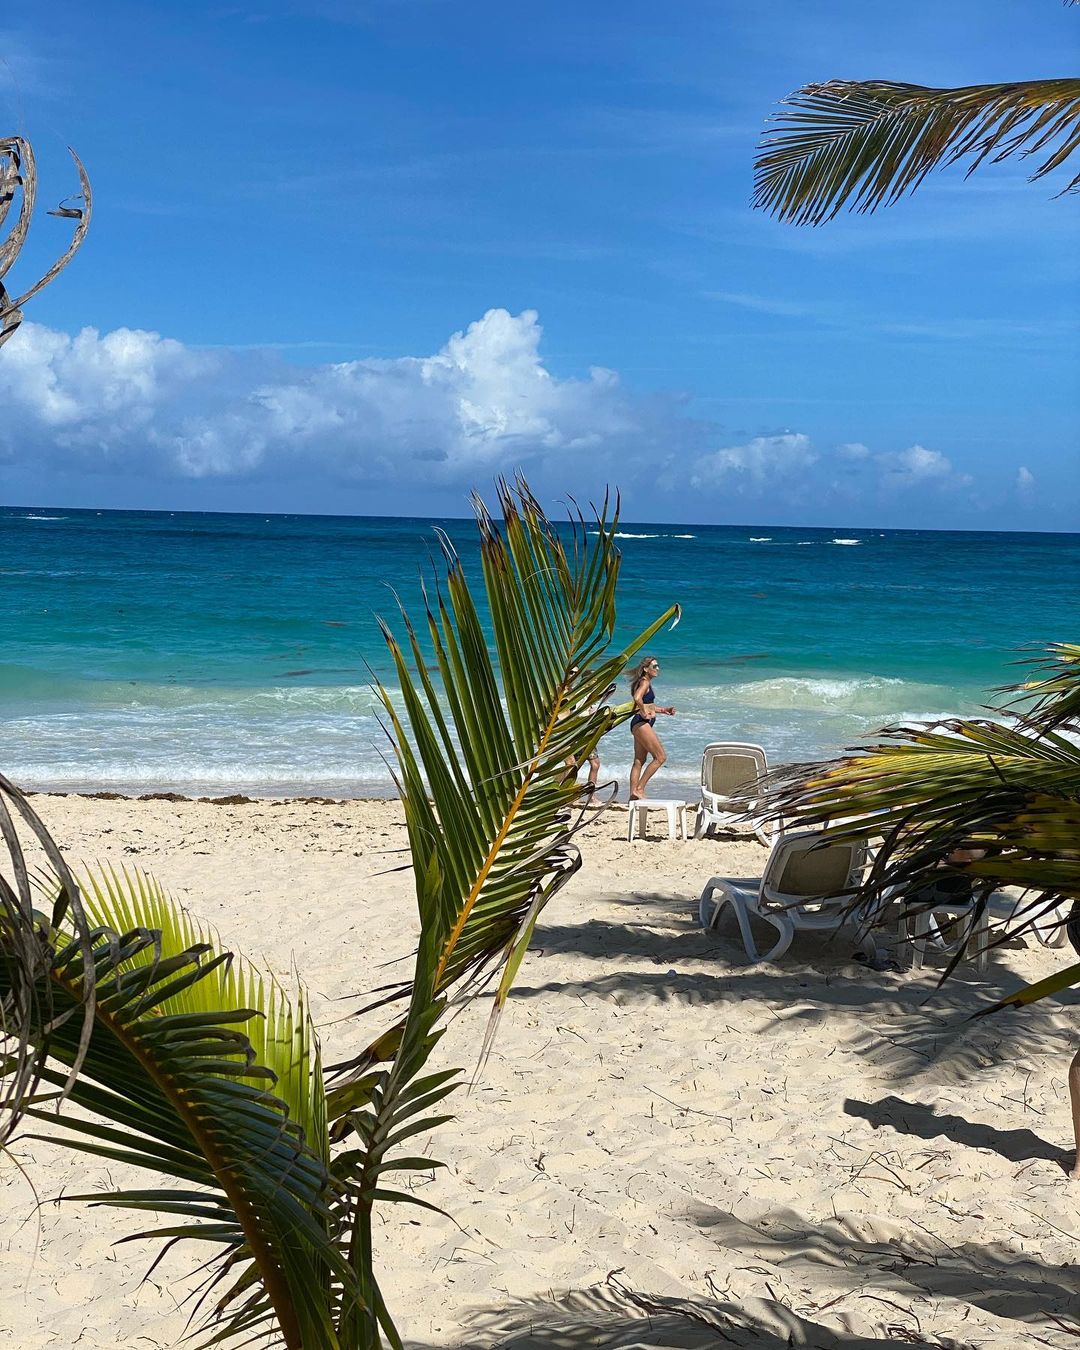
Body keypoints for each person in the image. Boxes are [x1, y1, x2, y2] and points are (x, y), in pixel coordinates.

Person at [627, 655, 676, 800]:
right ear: (645, 669)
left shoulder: (644, 681)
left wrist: (664, 710)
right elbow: (637, 698)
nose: (657, 669)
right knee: (660, 757)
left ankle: (633, 796)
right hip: (641, 723)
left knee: (639, 761)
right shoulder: (644, 682)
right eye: (654, 666)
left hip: (638, 723)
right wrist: (643, 711)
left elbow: (648, 705)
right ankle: (639, 789)